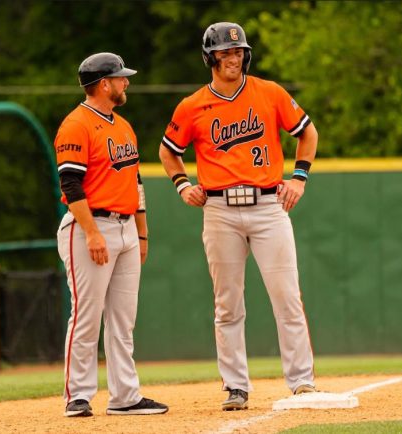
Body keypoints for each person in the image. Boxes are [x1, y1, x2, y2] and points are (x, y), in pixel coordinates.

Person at [159, 22, 319, 411]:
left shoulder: (269, 92)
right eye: (225, 52)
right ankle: (235, 386)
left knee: (287, 297)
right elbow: (168, 150)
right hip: (219, 210)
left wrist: (299, 178)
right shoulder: (193, 105)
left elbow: (307, 132)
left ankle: (302, 381)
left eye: (238, 52)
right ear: (210, 58)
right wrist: (182, 184)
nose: (233, 58)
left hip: (268, 206)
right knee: (227, 304)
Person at [54, 52, 168, 417]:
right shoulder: (76, 125)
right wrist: (91, 233)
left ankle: (125, 396)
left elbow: (135, 181)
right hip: (90, 227)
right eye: (121, 78)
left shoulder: (123, 126)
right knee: (86, 316)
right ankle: (78, 395)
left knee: (123, 320)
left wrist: (142, 234)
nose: (126, 82)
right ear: (104, 84)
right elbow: (70, 184)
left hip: (126, 228)